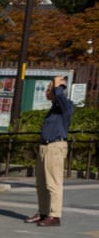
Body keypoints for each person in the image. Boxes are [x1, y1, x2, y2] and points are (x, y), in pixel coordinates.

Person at [27, 75, 75, 227]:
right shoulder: (53, 109)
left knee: (53, 183)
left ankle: (54, 215)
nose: (46, 92)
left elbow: (59, 94)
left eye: (49, 89)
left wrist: (58, 83)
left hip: (55, 147)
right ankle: (43, 212)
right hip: (45, 147)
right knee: (41, 183)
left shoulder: (66, 105)